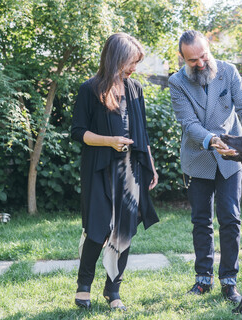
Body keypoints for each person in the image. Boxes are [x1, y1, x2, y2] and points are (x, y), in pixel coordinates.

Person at [168, 30, 242, 303]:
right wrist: (212, 140)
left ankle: (229, 281)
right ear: (182, 58)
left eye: (203, 56)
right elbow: (188, 124)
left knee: (231, 219)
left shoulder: (229, 72)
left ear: (209, 49)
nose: (200, 63)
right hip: (198, 158)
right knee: (201, 221)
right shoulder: (176, 82)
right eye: (192, 60)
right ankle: (202, 279)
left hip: (231, 161)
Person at [71, 32, 159, 311]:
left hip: (131, 168)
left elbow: (142, 131)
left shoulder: (135, 89)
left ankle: (113, 290)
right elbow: (78, 132)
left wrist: (151, 166)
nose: (134, 68)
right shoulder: (89, 89)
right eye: (131, 62)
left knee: (123, 230)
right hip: (98, 167)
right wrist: (109, 141)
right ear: (116, 58)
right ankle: (84, 285)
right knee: (96, 229)